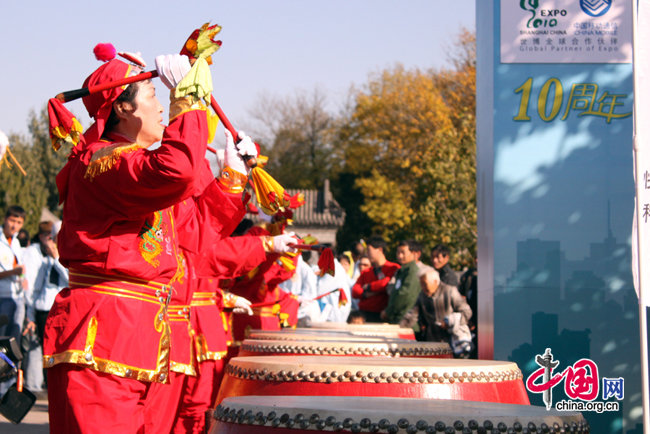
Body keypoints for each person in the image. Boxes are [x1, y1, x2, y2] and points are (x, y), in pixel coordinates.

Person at [43, 50, 255, 433]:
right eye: (152, 96)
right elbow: (175, 170)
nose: (161, 107)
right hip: (105, 333)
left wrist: (233, 176)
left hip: (137, 333)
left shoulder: (134, 171)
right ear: (122, 109)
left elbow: (195, 231)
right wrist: (186, 103)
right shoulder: (102, 161)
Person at [23, 221, 68, 395]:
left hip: (62, 310)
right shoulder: (45, 258)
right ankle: (52, 393)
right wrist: (30, 314)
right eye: (53, 237)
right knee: (47, 354)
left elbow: (70, 279)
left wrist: (57, 257)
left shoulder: (65, 257)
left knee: (61, 354)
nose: (54, 241)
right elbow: (35, 287)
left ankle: (60, 392)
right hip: (44, 310)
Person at [403, 269, 472, 357]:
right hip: (433, 344)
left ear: (435, 282)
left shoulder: (450, 291)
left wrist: (450, 322)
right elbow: (412, 315)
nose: (423, 287)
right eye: (421, 284)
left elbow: (466, 312)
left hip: (452, 343)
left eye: (425, 284)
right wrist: (399, 329)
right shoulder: (422, 296)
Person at [351, 236, 400, 323]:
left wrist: (369, 287)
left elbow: (386, 283)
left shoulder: (393, 268)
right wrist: (367, 294)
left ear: (380, 250)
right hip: (364, 314)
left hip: (382, 315)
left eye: (369, 250)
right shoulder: (366, 272)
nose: (367, 253)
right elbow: (355, 291)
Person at [0, 206, 28, 343]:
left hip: (18, 297)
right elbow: (14, 270)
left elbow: (19, 269)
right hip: (3, 297)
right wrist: (14, 272)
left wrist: (23, 279)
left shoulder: (16, 242)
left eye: (19, 222)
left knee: (14, 343)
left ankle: (13, 365)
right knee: (2, 339)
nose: (14, 226)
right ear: (5, 219)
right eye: (12, 221)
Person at [380, 240, 421, 324]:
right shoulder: (402, 270)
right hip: (398, 319)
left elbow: (405, 295)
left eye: (403, 252)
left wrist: (388, 312)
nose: (400, 256)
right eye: (398, 252)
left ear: (413, 253)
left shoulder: (412, 271)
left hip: (406, 320)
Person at [279, 251, 318, 327]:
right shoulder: (281, 264)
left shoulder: (305, 269)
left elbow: (310, 295)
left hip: (298, 314)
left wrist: (296, 300)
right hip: (281, 311)